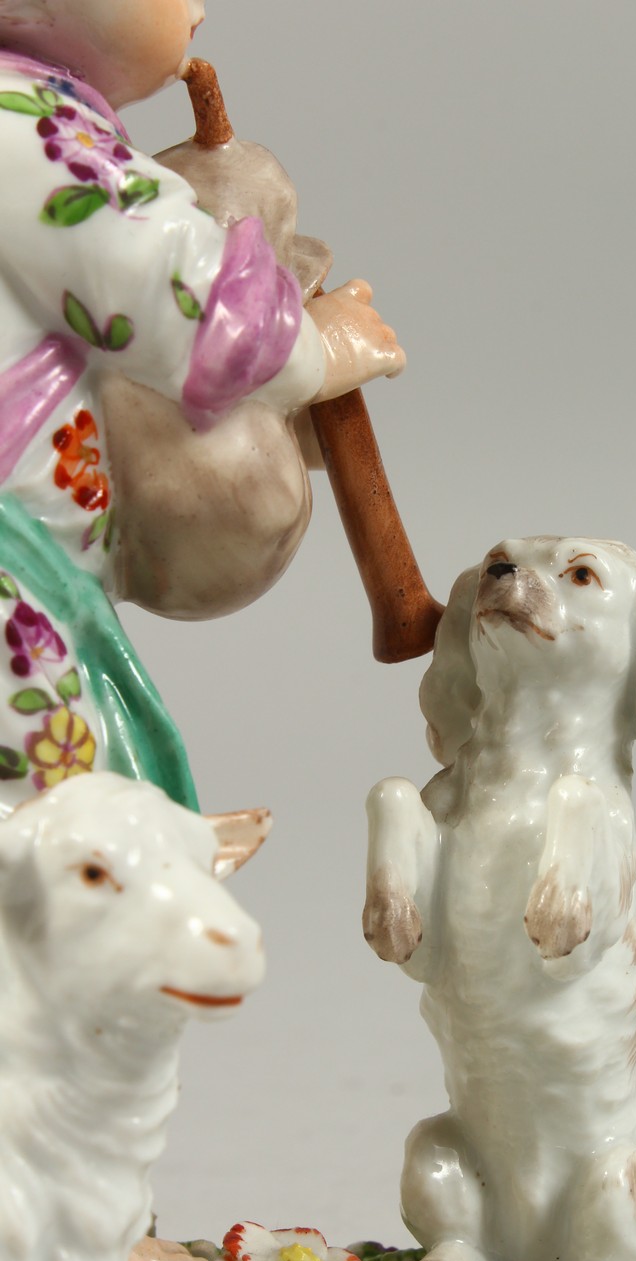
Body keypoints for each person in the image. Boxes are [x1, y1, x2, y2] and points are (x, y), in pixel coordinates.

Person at [0, 0, 404, 811]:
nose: (197, 8)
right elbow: (180, 297)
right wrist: (317, 348)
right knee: (60, 832)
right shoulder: (25, 130)